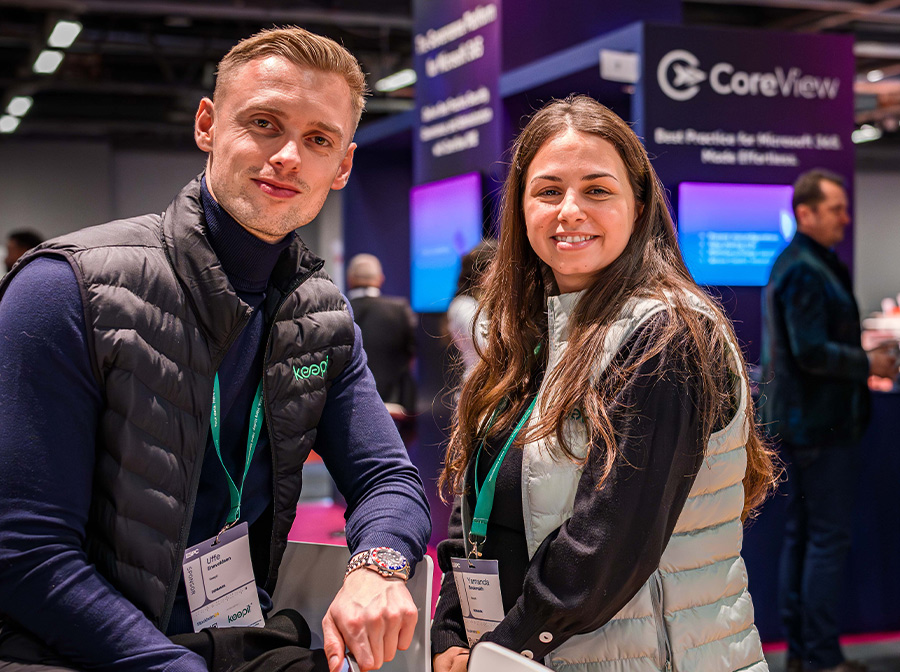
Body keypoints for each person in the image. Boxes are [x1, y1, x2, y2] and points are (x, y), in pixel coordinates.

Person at [0, 26, 431, 672]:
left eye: (318, 140)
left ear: (342, 165)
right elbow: (26, 550)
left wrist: (379, 565)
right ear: (207, 124)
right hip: (77, 654)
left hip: (240, 640)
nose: (288, 155)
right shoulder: (65, 289)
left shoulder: (321, 316)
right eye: (264, 122)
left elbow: (388, 479)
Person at [431, 95, 777, 672]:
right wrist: (452, 626)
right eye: (547, 191)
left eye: (596, 190)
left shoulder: (668, 333)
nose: (569, 210)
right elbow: (481, 501)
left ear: (637, 206)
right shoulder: (527, 331)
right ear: (520, 207)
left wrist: (500, 648)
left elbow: (606, 545)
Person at [761, 169, 896, 672]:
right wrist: (869, 363)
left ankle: (807, 654)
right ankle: (817, 656)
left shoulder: (807, 264)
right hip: (819, 427)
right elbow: (811, 352)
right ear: (806, 213)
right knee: (823, 541)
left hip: (812, 426)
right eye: (837, 208)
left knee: (809, 538)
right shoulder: (803, 268)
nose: (846, 217)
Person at [346, 253, 417, 415]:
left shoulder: (337, 309)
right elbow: (411, 354)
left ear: (350, 279)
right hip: (394, 407)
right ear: (380, 279)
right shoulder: (399, 310)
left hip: (347, 406)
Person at [446, 239, 496, 376]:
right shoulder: (463, 305)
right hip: (479, 386)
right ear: (482, 273)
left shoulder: (488, 301)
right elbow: (486, 347)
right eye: (499, 269)